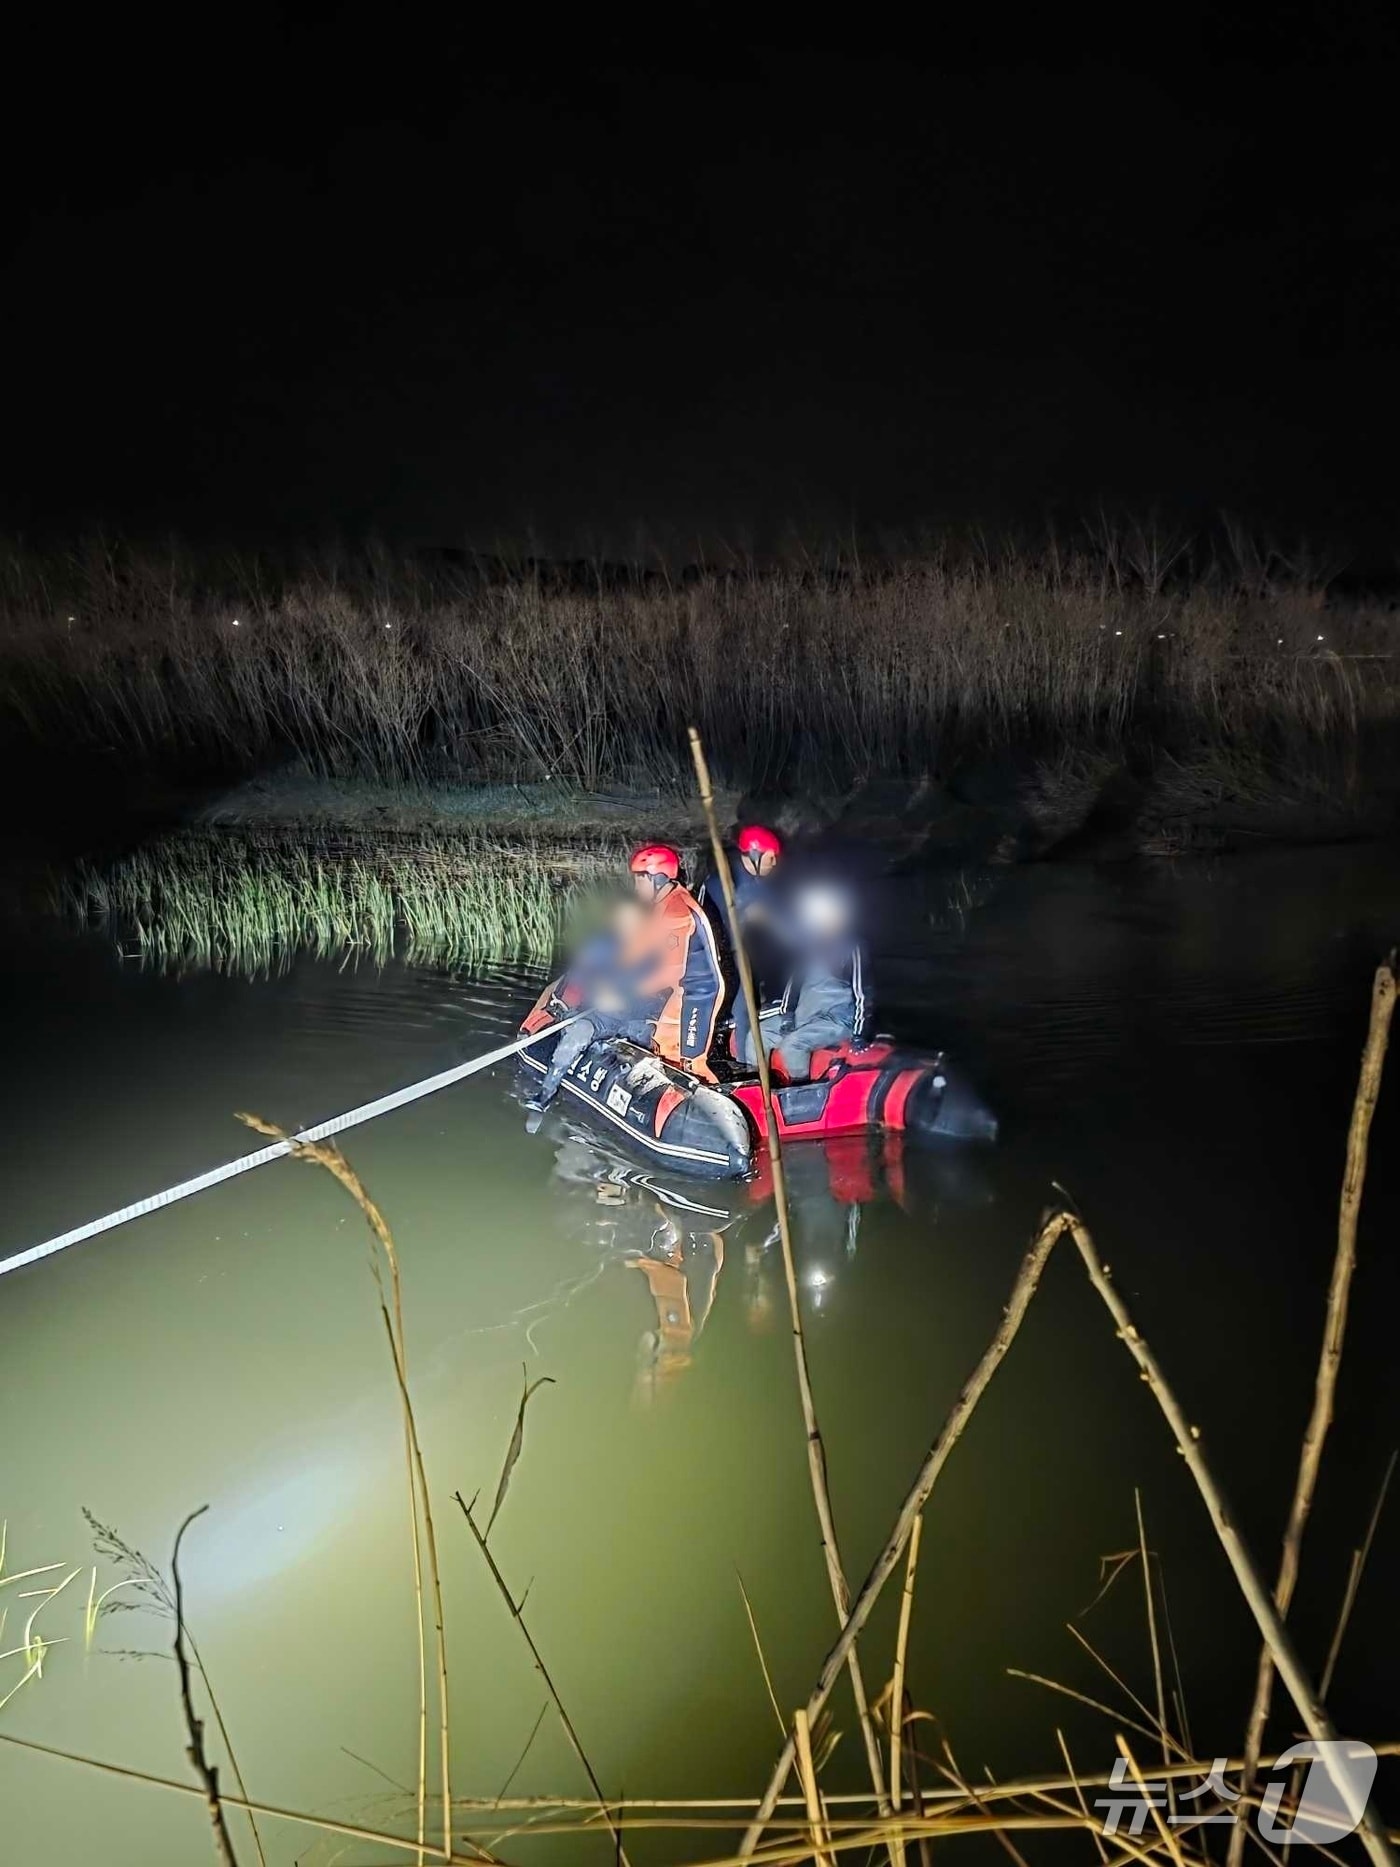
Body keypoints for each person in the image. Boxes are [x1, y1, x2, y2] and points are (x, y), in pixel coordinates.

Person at [525, 898, 668, 1116]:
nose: (629, 926)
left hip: (633, 1020)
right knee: (574, 1038)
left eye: (635, 921)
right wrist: (598, 990)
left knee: (649, 1049)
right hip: (598, 1016)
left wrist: (627, 1000)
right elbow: (579, 975)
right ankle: (546, 1092)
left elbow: (658, 993)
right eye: (624, 920)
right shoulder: (601, 945)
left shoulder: (653, 955)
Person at [744, 882, 873, 1081]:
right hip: (806, 1015)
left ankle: (799, 1096)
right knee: (757, 1035)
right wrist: (787, 1014)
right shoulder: (811, 944)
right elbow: (794, 983)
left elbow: (863, 994)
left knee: (793, 1045)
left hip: (836, 1020)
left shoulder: (852, 947)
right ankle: (757, 1088)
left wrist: (859, 1034)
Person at [627, 843, 724, 1076]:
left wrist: (631, 991)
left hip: (699, 993)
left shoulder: (676, 911)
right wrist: (619, 968)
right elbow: (642, 942)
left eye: (640, 881)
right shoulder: (665, 901)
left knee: (691, 1060)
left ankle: (710, 1101)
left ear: (658, 879)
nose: (636, 887)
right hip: (682, 990)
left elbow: (672, 972)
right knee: (663, 1044)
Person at [699, 824, 784, 1062]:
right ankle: (747, 1064)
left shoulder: (758, 882)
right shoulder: (727, 882)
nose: (775, 863)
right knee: (743, 1006)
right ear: (755, 856)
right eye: (771, 857)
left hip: (741, 952)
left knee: (751, 998)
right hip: (715, 958)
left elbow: (778, 915)